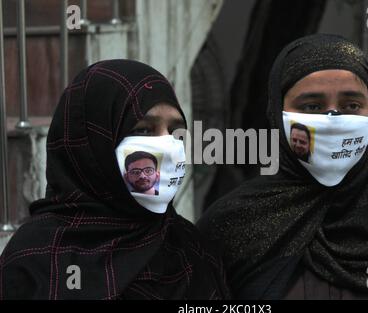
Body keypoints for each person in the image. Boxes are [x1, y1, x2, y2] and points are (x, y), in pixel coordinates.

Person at [197, 34, 368, 299]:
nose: (332, 119)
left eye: (351, 105)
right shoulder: (232, 226)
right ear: (276, 112)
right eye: (312, 106)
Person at [0, 60, 230, 300]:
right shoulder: (35, 262)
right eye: (143, 130)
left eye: (175, 132)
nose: (168, 148)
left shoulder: (192, 250)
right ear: (94, 143)